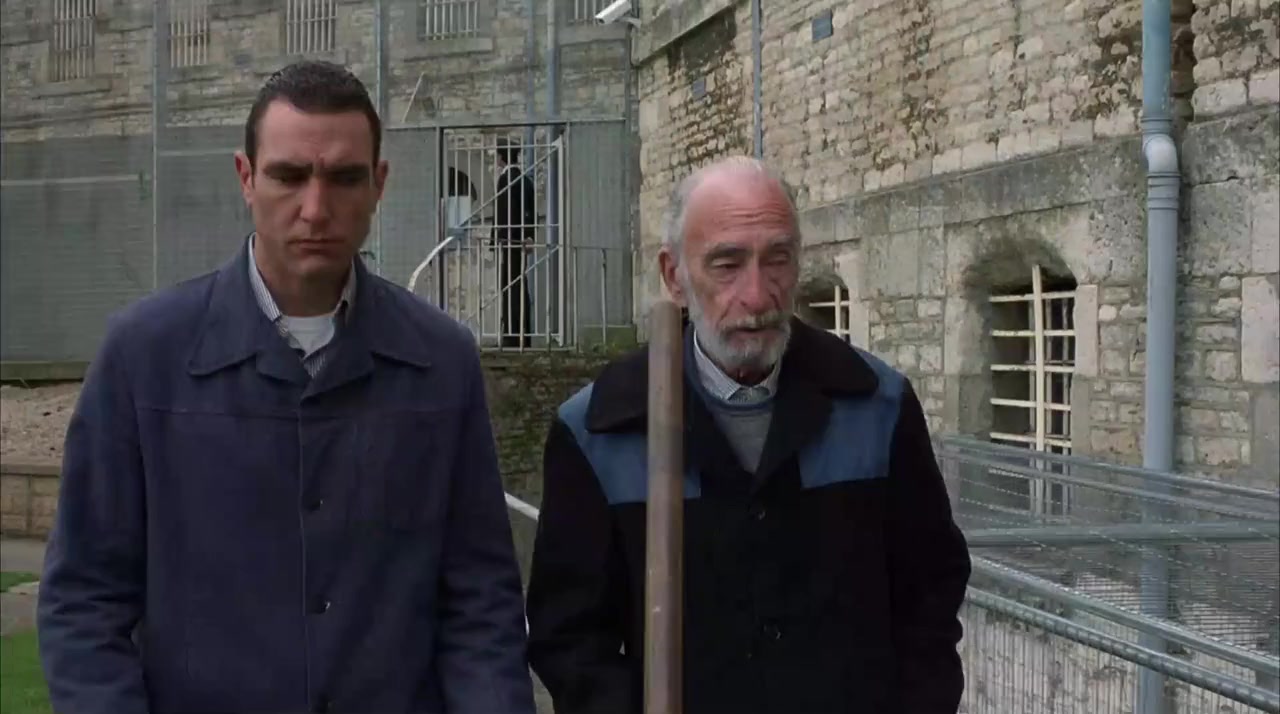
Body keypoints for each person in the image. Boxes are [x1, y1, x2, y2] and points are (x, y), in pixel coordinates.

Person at [37, 60, 536, 714]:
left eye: (344, 177)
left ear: (380, 183)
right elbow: (84, 600)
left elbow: (480, 601)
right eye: (289, 176)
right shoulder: (143, 356)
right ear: (246, 177)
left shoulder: (441, 361)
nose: (316, 208)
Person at [525, 156, 972, 713]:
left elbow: (929, 598)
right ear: (674, 276)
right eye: (727, 264)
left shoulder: (877, 408)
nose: (758, 296)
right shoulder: (599, 431)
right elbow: (570, 640)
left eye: (777, 260)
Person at [492, 137, 536, 348]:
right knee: (520, 284)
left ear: (501, 157)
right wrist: (529, 236)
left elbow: (502, 213)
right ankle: (523, 334)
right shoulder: (526, 180)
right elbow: (530, 212)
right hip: (521, 242)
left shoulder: (505, 180)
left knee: (509, 287)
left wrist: (497, 239)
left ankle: (511, 334)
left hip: (509, 241)